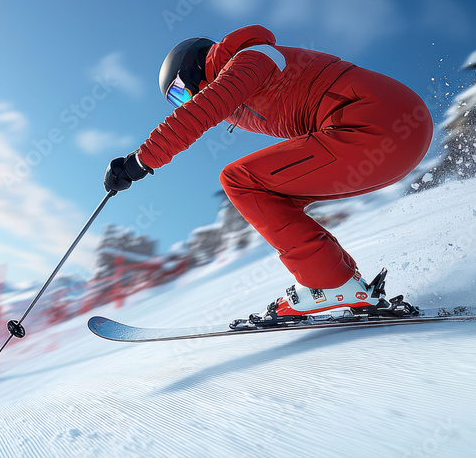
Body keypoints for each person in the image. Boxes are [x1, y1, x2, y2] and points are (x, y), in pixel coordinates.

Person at [103, 25, 432, 326]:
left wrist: (139, 161)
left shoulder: (253, 57)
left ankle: (328, 283)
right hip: (391, 140)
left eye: (179, 93)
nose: (183, 102)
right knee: (272, 194)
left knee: (240, 180)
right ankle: (342, 283)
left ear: (194, 68)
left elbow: (202, 110)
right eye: (176, 101)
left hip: (379, 123)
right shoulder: (247, 92)